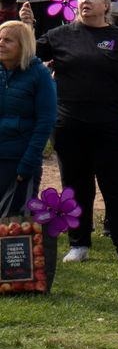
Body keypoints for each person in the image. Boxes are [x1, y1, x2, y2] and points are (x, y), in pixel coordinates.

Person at [24, 0, 118, 265]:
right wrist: (27, 26)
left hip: (112, 125)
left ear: (106, 5)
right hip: (69, 125)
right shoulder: (59, 35)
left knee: (115, 186)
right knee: (75, 186)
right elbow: (27, 55)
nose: (85, 1)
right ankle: (78, 243)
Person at [0, 21, 55, 213]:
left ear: (23, 45)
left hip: (19, 159)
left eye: (7, 40)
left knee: (15, 227)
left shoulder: (39, 74)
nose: (1, 43)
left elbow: (45, 122)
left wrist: (27, 164)